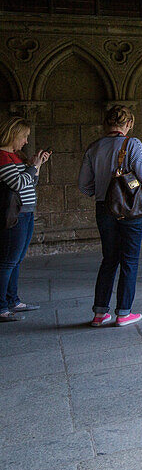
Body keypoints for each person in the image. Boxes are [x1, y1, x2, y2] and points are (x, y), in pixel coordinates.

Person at [79, 105, 142, 327]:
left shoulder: (94, 148)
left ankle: (99, 313)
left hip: (103, 208)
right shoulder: (133, 144)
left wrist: (102, 191)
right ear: (129, 123)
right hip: (130, 209)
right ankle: (123, 312)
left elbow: (83, 185)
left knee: (109, 259)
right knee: (129, 260)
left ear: (106, 124)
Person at [0, 117, 49, 322]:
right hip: (15, 216)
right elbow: (18, 184)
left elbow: (32, 183)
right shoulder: (3, 157)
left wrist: (37, 165)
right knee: (8, 261)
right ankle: (2, 306)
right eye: (24, 136)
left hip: (26, 213)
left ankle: (13, 300)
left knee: (17, 260)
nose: (26, 141)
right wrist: (32, 167)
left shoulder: (16, 156)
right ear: (13, 134)